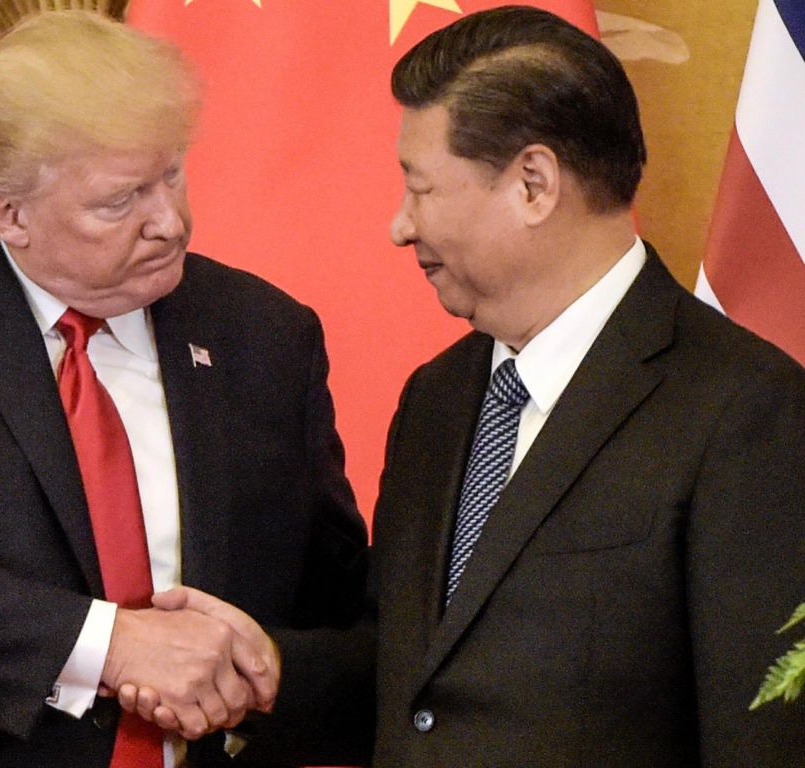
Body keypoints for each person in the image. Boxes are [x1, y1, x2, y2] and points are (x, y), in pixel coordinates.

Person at [154, 6, 805, 766]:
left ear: (533, 184)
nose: (400, 226)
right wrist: (261, 671)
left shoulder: (746, 409)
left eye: (421, 189)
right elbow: (411, 679)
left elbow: (763, 733)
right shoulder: (437, 398)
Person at [0, 10, 367, 768]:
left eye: (172, 175)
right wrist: (108, 646)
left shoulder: (263, 333)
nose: (170, 222)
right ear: (8, 213)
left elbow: (339, 608)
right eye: (120, 201)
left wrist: (258, 674)